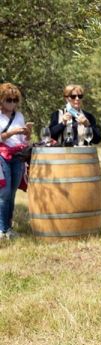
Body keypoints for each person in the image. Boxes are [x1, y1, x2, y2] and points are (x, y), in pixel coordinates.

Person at [0, 83, 31, 239]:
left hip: (18, 156)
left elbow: (24, 139)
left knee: (11, 193)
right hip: (2, 156)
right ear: (1, 100)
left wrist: (27, 133)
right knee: (4, 193)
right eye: (8, 100)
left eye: (15, 100)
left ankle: (8, 228)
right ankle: (2, 229)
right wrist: (11, 132)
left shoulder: (19, 116)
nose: (12, 103)